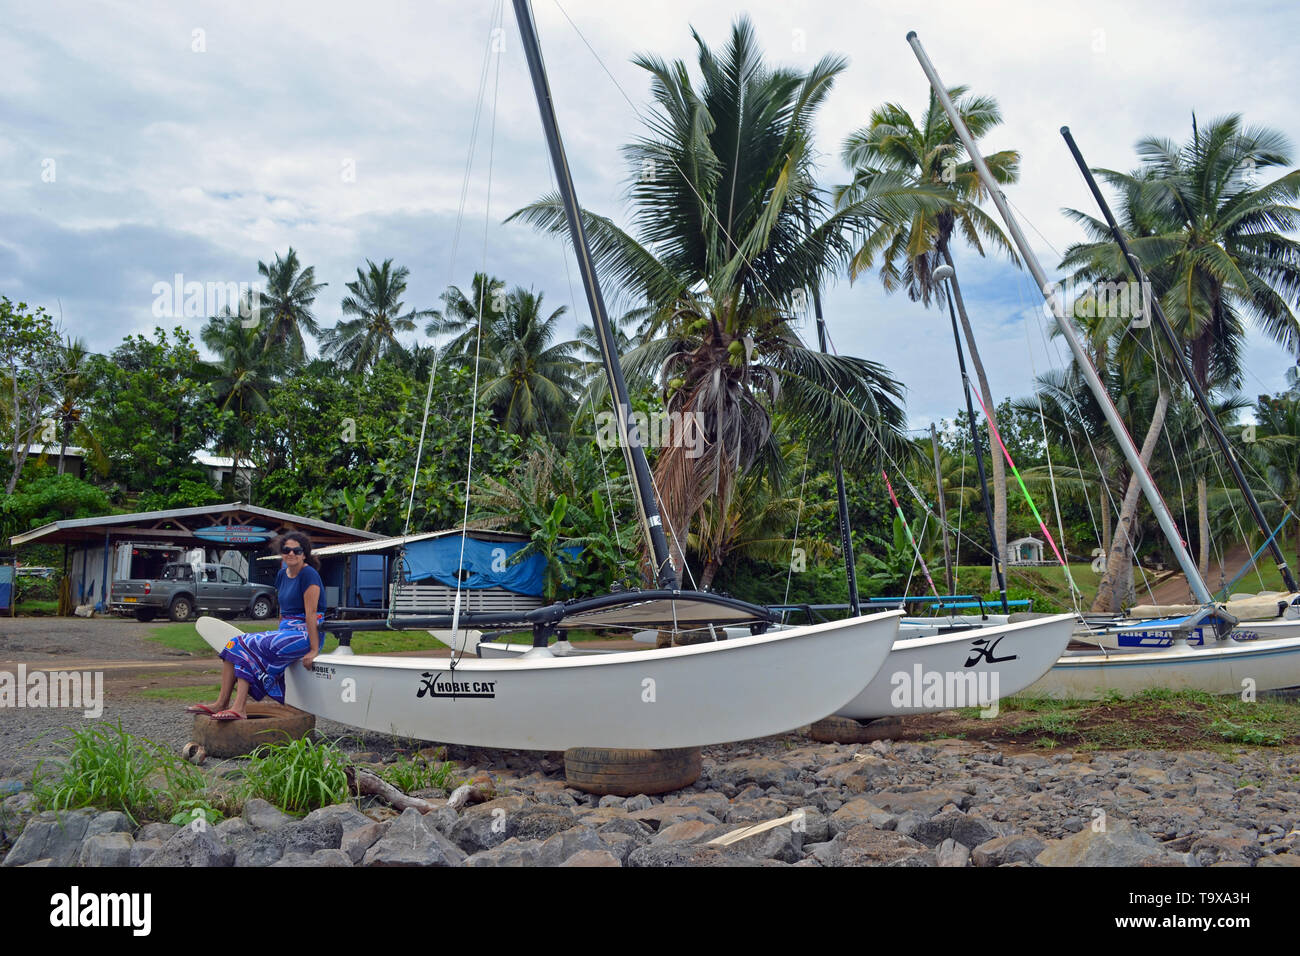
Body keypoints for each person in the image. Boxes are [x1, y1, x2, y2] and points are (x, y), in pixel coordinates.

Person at [187, 531, 326, 720]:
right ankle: (221, 702)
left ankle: (239, 707)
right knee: (234, 644)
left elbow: (311, 613)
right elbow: (282, 611)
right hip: (286, 631)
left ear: (304, 554)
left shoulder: (308, 574)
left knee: (252, 644)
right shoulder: (281, 574)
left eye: (296, 550)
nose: (291, 553)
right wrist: (277, 634)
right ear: (282, 552)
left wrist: (314, 649)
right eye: (287, 550)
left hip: (305, 633)